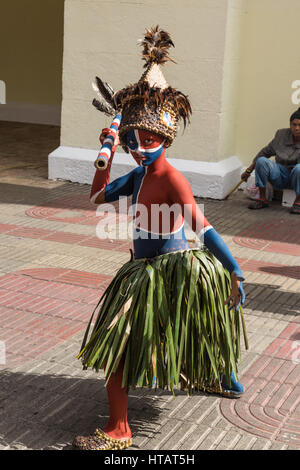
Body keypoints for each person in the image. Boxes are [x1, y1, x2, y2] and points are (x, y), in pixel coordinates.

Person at [72, 26, 247, 451]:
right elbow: (97, 196)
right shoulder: (137, 172)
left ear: (165, 137)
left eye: (145, 141)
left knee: (195, 331)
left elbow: (204, 231)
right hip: (141, 272)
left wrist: (235, 271)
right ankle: (209, 382)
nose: (137, 148)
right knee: (134, 346)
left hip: (174, 271)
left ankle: (123, 430)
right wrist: (107, 154)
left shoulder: (173, 180)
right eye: (132, 141)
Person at [241, 108, 300, 213]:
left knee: (299, 169)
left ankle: (298, 202)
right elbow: (265, 152)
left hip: (297, 178)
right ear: (290, 124)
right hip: (280, 176)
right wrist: (248, 170)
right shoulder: (281, 135)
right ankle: (262, 199)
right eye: (294, 124)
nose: (296, 128)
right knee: (262, 161)